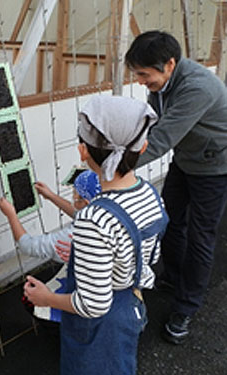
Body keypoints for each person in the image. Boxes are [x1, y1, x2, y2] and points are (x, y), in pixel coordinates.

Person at [23, 95, 168, 375]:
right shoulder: (150, 194)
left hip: (99, 326)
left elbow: (92, 303)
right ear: (143, 147)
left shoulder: (94, 218)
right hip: (131, 303)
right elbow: (152, 254)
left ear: (83, 151)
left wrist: (46, 298)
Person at [125, 30, 227, 345]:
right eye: (137, 74)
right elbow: (149, 123)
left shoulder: (198, 87)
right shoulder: (162, 84)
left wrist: (113, 169)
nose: (141, 81)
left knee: (201, 235)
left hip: (214, 166)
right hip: (186, 159)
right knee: (169, 220)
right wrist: (116, 143)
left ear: (169, 64)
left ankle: (186, 306)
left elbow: (161, 140)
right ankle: (174, 276)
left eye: (145, 74)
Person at [0, 170, 101, 264]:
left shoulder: (73, 235)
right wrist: (51, 196)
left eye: (74, 193)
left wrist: (11, 215)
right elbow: (78, 213)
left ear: (86, 202)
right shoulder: (103, 211)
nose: (73, 197)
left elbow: (27, 246)